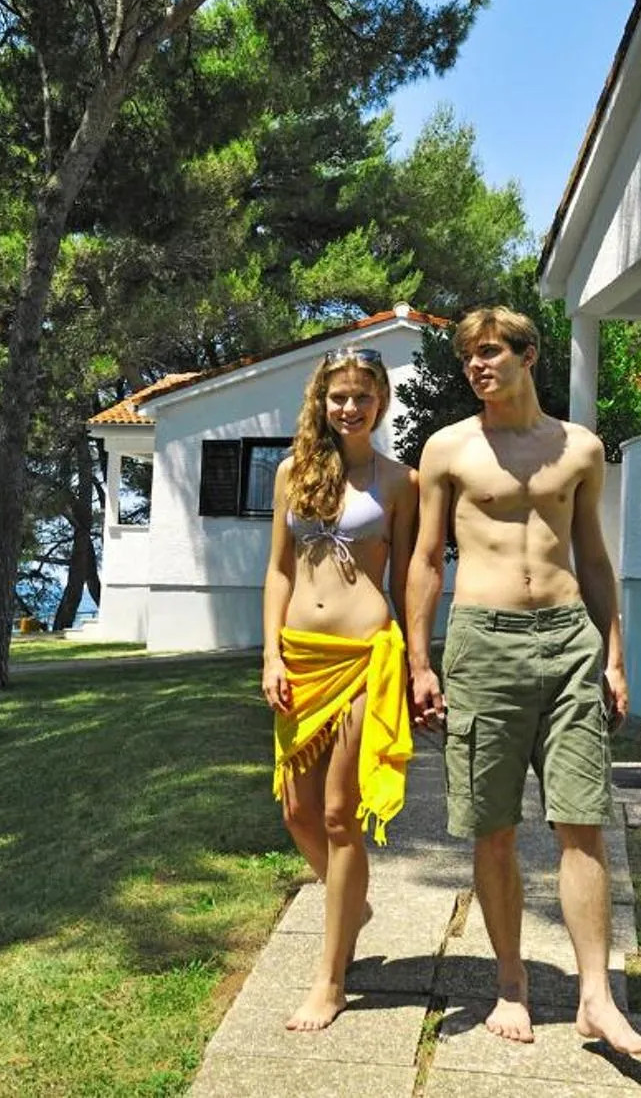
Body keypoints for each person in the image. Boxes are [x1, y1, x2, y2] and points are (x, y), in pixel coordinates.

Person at [404, 306, 641, 1058]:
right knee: (494, 824)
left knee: (582, 819)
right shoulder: (448, 448)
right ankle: (510, 981)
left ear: (528, 355)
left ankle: (595, 997)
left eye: (490, 353)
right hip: (483, 643)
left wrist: (613, 651)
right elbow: (424, 560)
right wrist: (420, 659)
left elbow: (594, 558)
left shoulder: (579, 448)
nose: (477, 366)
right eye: (468, 358)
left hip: (570, 638)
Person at [261, 344, 419, 1032]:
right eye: (338, 396)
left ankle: (330, 978)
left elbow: (411, 572)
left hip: (363, 656)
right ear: (321, 401)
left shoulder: (398, 480)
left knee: (336, 814)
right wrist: (270, 652)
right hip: (300, 657)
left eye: (361, 396)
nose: (349, 407)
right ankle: (350, 902)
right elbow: (278, 571)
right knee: (297, 812)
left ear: (379, 401)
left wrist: (419, 661)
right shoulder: (293, 472)